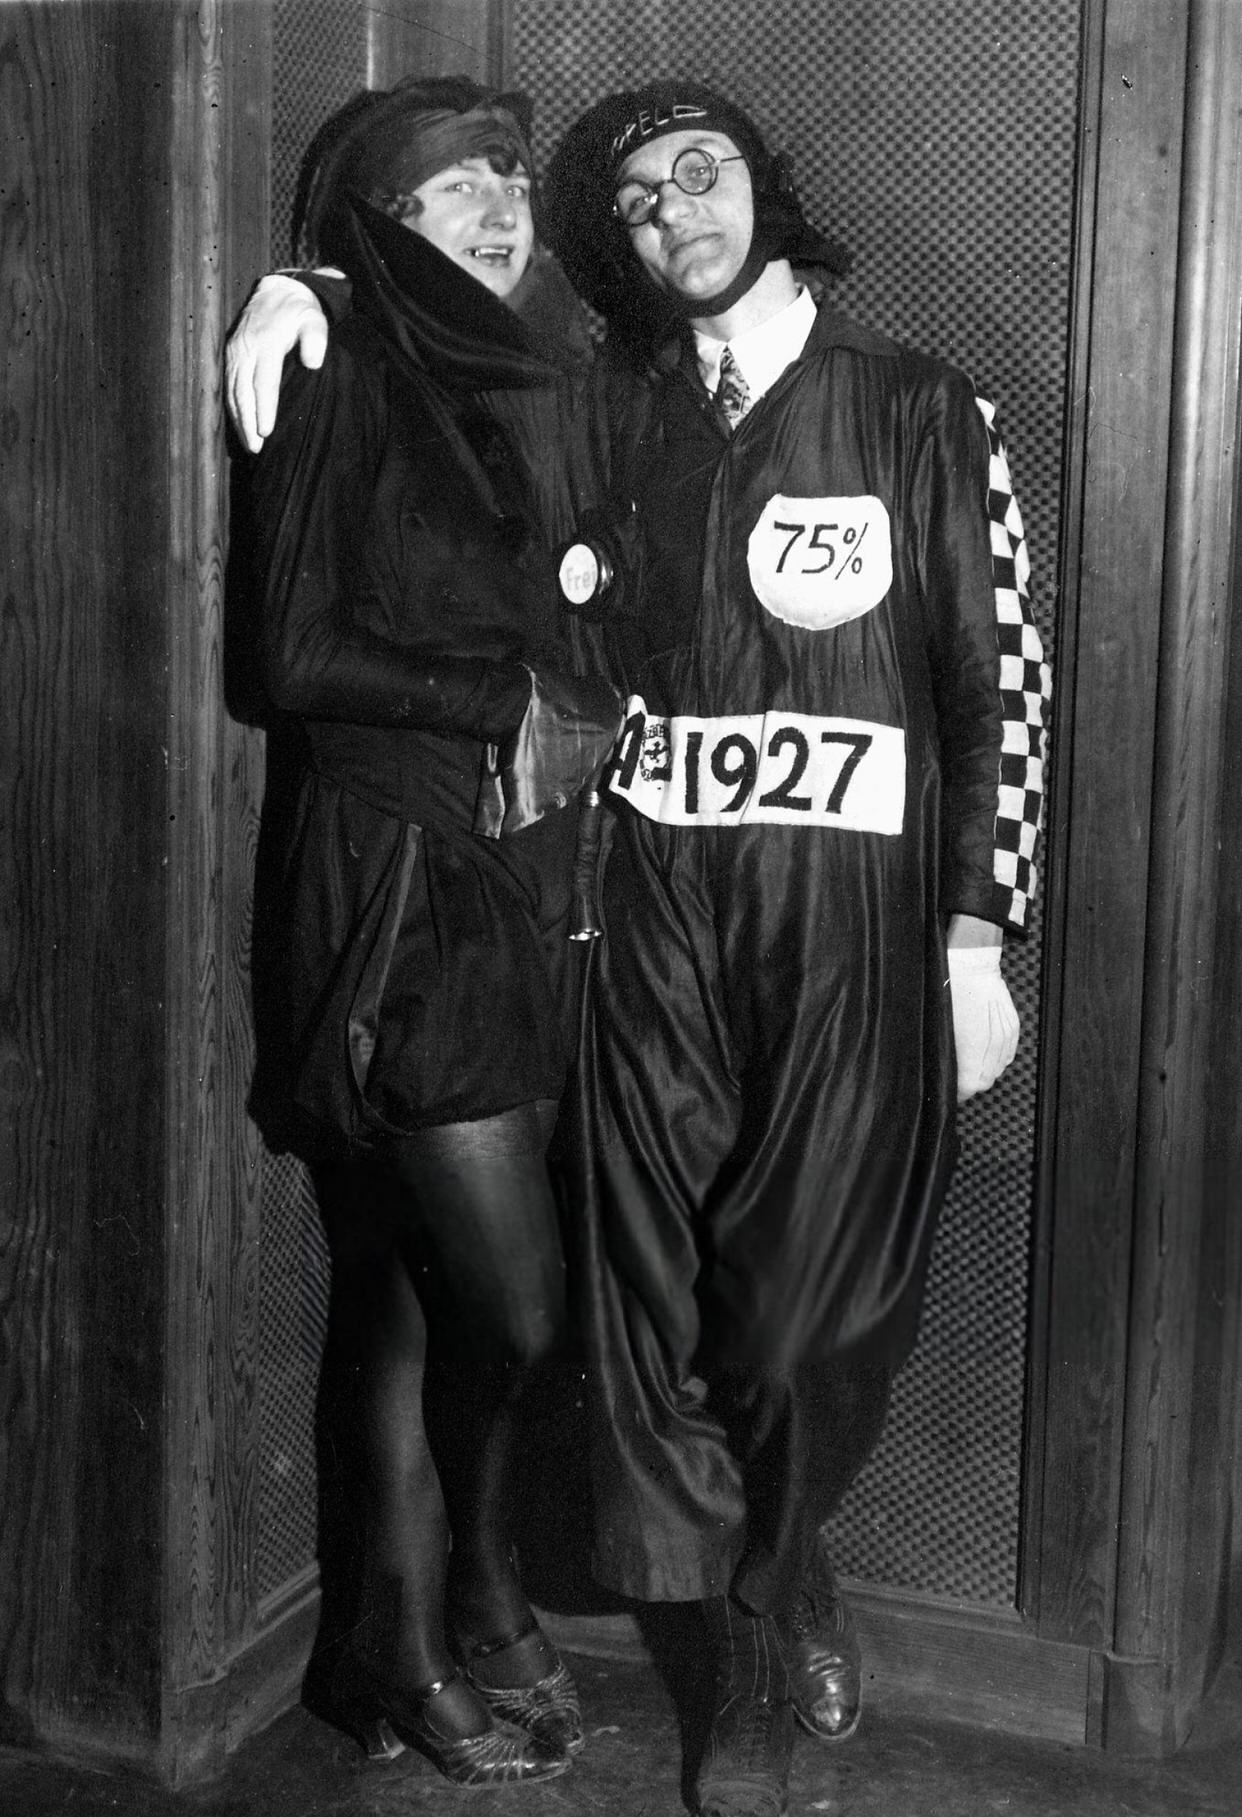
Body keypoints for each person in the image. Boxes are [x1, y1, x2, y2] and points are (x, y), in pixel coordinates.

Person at [227, 74, 1048, 1817]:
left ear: (769, 187)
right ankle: (744, 1657)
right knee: (654, 1304)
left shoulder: (919, 406)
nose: (681, 210)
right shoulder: (617, 413)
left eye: (709, 173)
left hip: (848, 932)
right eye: (646, 196)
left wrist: (981, 927)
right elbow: (409, 465)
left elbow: (1003, 687)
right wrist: (313, 289)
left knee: (806, 1310)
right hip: (643, 920)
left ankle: (789, 1554)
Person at [236, 76, 620, 1789]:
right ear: (374, 228)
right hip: (395, 881)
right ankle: (447, 1602)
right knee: (510, 1302)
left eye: (508, 179)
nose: (497, 204)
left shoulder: (517, 376)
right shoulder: (336, 354)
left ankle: (416, 1634)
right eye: (449, 187)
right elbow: (289, 655)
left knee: (403, 1294)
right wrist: (506, 697)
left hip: (517, 874)